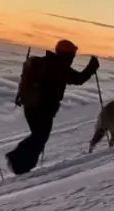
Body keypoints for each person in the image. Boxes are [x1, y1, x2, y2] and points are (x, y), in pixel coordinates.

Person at [6, 40, 99, 175]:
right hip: (43, 109)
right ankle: (17, 161)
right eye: (72, 54)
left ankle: (23, 166)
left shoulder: (48, 62)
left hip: (31, 106)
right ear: (66, 54)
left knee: (39, 136)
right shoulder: (59, 66)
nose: (73, 57)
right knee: (40, 137)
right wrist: (92, 67)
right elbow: (78, 79)